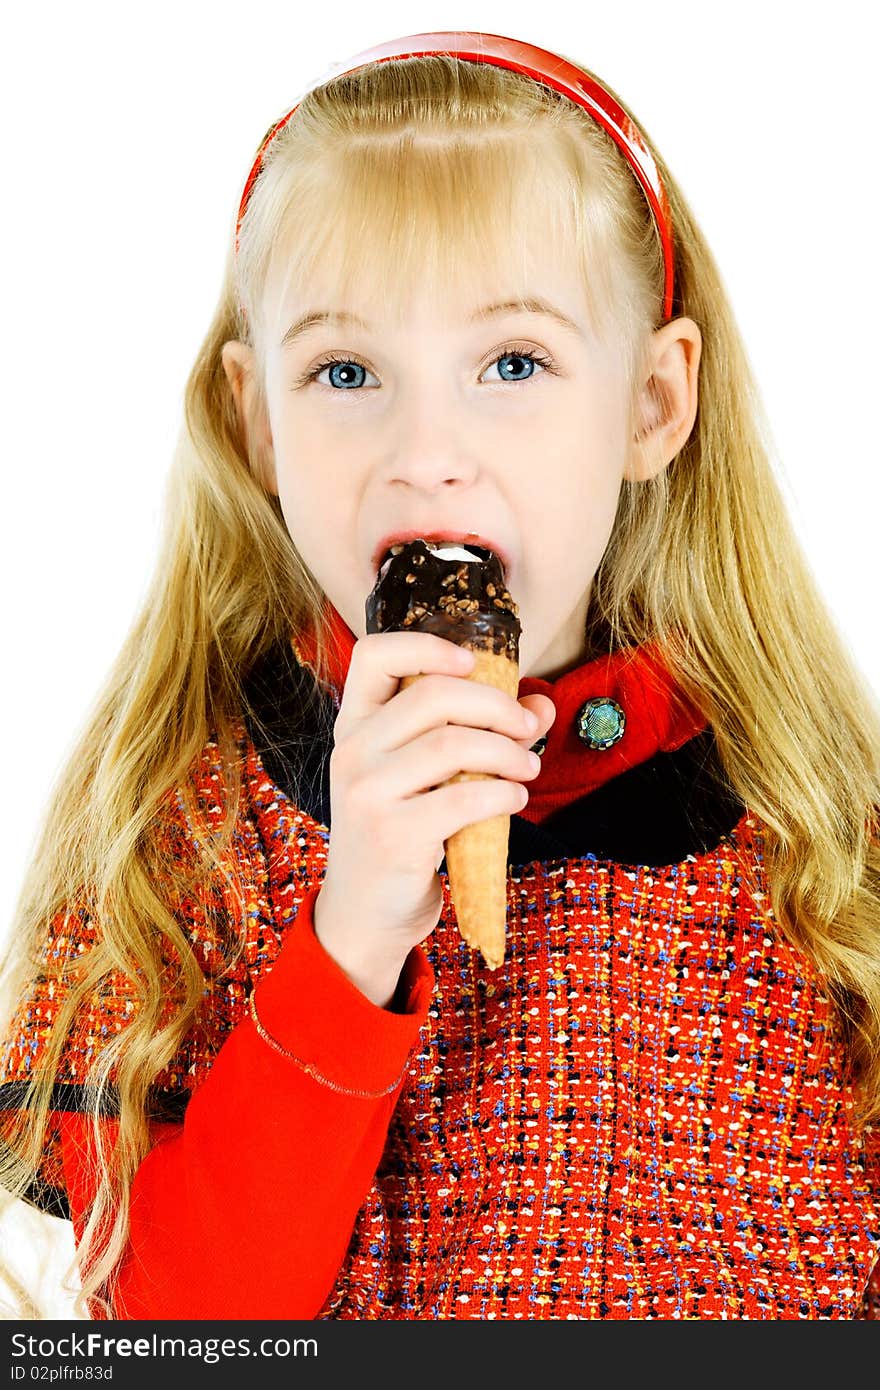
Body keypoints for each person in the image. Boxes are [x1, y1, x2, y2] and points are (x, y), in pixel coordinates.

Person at [1, 29, 878, 1322]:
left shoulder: (817, 846)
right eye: (347, 372)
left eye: (511, 364)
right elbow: (181, 1327)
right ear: (258, 420)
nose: (428, 450)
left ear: (651, 398)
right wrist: (349, 931)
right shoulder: (178, 832)